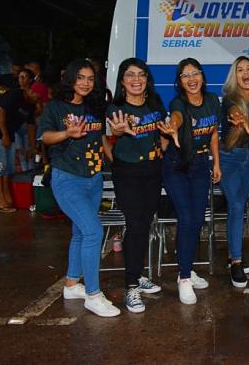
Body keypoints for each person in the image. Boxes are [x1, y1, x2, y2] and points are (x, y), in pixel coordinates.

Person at [39, 58, 120, 317]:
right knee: (94, 231)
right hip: (67, 178)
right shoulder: (55, 107)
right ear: (70, 79)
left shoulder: (94, 107)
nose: (85, 83)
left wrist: (116, 157)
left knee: (80, 233)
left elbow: (102, 140)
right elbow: (45, 137)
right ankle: (93, 295)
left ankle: (72, 284)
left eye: (90, 79)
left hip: (93, 179)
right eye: (80, 77)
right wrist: (67, 133)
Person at [105, 58, 168, 313]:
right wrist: (119, 133)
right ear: (122, 80)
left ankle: (137, 274)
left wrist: (165, 144)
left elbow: (162, 133)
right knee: (136, 224)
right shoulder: (116, 108)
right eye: (130, 75)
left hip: (152, 171)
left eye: (141, 74)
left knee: (145, 223)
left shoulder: (154, 103)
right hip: (127, 173)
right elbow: (113, 134)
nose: (136, 80)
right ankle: (131, 286)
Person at [160, 58, 220, 304]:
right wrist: (172, 127)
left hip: (200, 164)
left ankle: (187, 268)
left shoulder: (213, 101)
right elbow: (176, 117)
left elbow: (213, 133)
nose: (191, 79)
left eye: (195, 73)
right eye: (185, 75)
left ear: (202, 77)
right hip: (177, 164)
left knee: (197, 220)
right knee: (186, 218)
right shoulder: (178, 103)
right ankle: (184, 278)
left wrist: (216, 163)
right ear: (180, 81)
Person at [220, 56, 249, 288]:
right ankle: (236, 262)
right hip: (230, 158)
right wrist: (238, 118)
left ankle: (232, 254)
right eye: (240, 70)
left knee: (239, 205)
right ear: (234, 76)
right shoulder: (230, 99)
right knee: (236, 206)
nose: (245, 73)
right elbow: (233, 111)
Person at [0, 69, 37, 213]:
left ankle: (7, 197)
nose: (36, 96)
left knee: (8, 167)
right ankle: (0, 201)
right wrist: (5, 135)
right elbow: (0, 112)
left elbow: (31, 126)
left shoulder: (31, 105)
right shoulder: (16, 94)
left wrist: (32, 147)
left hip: (8, 132)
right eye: (34, 93)